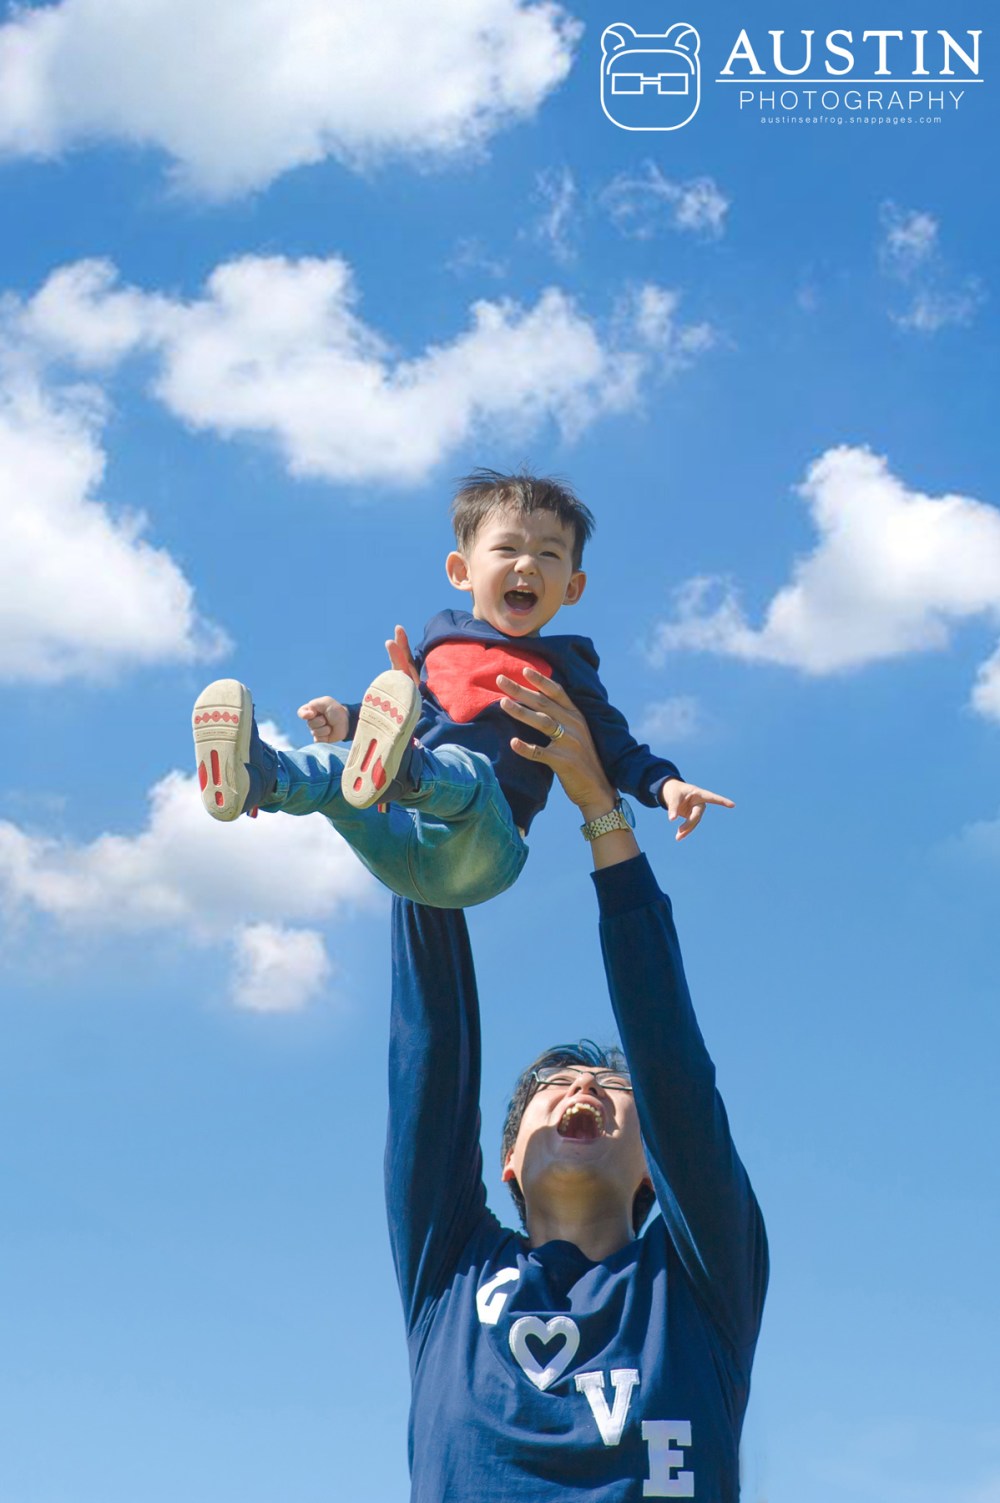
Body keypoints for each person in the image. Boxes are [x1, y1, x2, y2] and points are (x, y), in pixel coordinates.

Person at [387, 669, 768, 1500]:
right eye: (552, 1085)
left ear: (654, 1166)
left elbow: (674, 1067)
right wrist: (427, 789)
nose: (580, 1089)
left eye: (610, 1087)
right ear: (508, 1162)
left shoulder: (695, 1285)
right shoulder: (452, 1269)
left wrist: (601, 806)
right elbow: (430, 1055)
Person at [191, 471, 733, 908]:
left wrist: (666, 785)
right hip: (396, 832)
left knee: (465, 772)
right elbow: (416, 710)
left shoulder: (564, 665)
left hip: (480, 847)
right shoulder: (440, 640)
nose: (527, 565)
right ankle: (258, 777)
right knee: (339, 765)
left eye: (548, 554)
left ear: (572, 587)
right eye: (507, 549)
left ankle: (402, 773)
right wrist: (348, 718)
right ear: (461, 571)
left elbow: (616, 744)